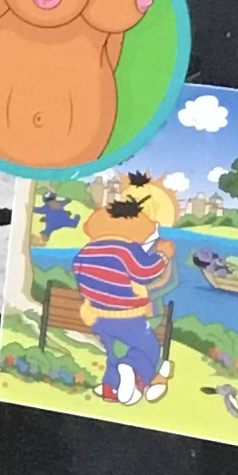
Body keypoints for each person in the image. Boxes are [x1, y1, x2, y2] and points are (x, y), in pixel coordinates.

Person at [71, 173, 181, 403]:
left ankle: (113, 387)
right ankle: (134, 378)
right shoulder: (129, 248)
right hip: (128, 316)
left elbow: (171, 281)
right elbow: (146, 271)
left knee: (116, 350)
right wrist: (162, 256)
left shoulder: (88, 250)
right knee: (145, 347)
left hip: (106, 316)